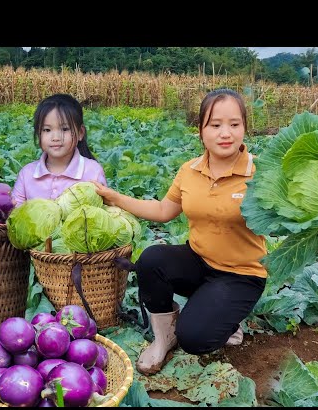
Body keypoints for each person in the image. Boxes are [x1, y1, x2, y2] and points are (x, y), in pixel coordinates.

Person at [92, 88, 267, 375]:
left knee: (196, 338)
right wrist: (116, 198)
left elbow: (298, 205)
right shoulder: (190, 170)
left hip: (241, 275)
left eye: (235, 124)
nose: (226, 133)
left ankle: (223, 318)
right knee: (151, 260)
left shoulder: (261, 171)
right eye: (215, 124)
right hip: (199, 261)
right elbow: (163, 211)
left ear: (245, 128)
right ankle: (164, 337)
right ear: (201, 131)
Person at [11, 93, 107, 206]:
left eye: (64, 129)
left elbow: (103, 212)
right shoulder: (27, 174)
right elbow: (16, 215)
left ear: (80, 133)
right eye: (47, 130)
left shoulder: (93, 172)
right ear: (38, 134)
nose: (55, 137)